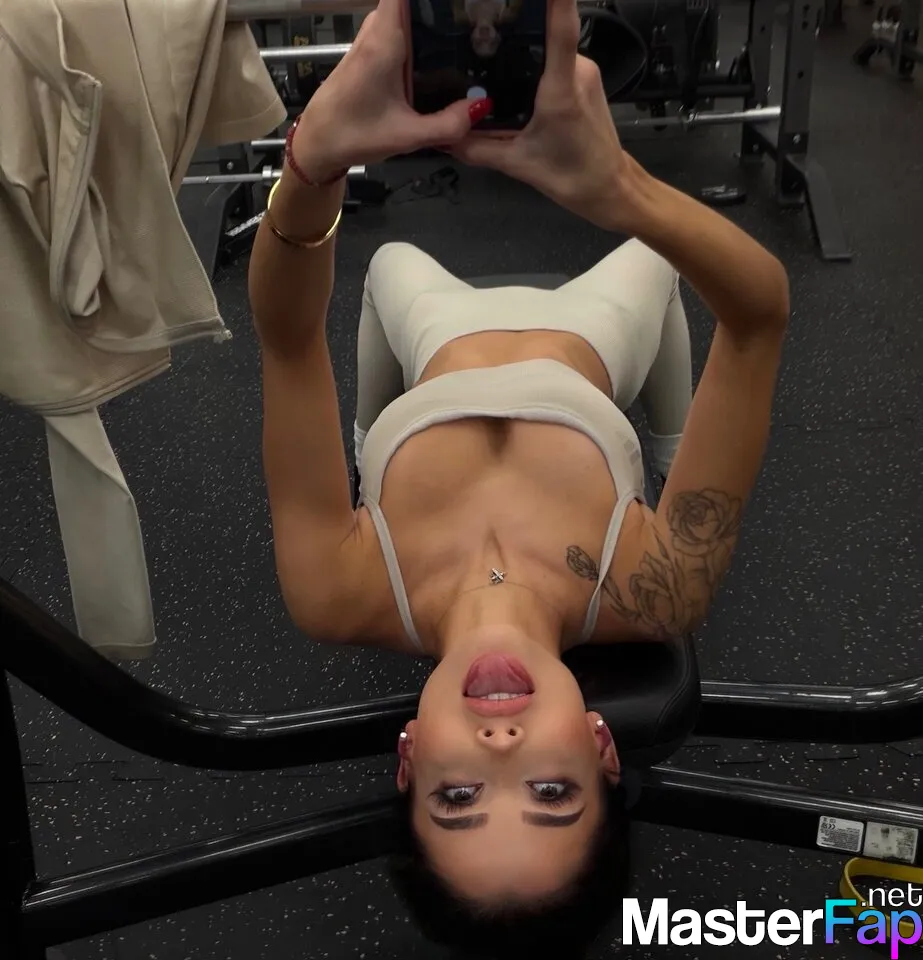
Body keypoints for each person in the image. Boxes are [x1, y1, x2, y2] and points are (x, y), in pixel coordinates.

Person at [246, 0, 790, 952]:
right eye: (549, 790)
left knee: (388, 261)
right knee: (657, 261)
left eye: (459, 796)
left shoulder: (338, 587)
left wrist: (313, 163)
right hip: (589, 340)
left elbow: (289, 342)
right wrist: (620, 187)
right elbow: (755, 318)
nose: (499, 747)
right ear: (600, 747)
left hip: (437, 335)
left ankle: (368, 442)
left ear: (409, 760)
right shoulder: (655, 589)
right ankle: (668, 448)